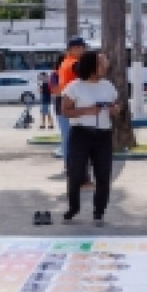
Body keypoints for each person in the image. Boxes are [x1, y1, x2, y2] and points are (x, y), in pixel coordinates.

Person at [60, 51, 119, 227]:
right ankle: (73, 208)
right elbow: (65, 111)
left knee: (103, 174)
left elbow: (117, 104)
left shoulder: (108, 86)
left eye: (105, 63)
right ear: (90, 66)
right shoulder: (74, 87)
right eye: (100, 63)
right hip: (81, 133)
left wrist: (115, 109)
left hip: (103, 134)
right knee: (76, 173)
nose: (104, 66)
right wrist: (86, 111)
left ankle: (99, 212)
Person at [56, 37, 87, 169]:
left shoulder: (65, 63)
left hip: (63, 101)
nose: (81, 50)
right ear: (70, 50)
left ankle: (69, 165)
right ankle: (72, 166)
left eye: (82, 47)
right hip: (70, 104)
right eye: (77, 48)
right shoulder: (74, 64)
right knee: (72, 138)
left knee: (68, 137)